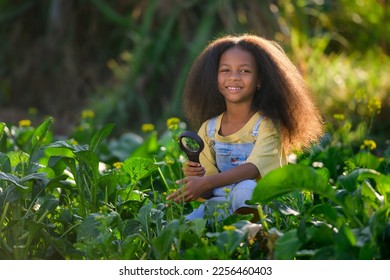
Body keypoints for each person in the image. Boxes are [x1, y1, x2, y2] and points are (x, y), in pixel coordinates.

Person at [167, 34, 324, 222]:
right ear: (215, 79)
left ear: (259, 80)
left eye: (244, 71)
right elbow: (209, 193)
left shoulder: (267, 125)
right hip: (221, 204)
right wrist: (199, 180)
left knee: (245, 189)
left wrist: (207, 181)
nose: (233, 77)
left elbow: (253, 169)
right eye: (225, 70)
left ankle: (252, 236)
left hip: (263, 203)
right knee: (182, 225)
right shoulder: (208, 129)